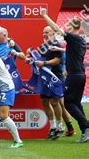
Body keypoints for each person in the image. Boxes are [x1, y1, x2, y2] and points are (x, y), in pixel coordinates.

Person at [42, 9, 88, 143]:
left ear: (73, 27)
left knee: (67, 102)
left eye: (67, 25)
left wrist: (45, 15)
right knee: (76, 103)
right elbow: (73, 52)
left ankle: (86, 126)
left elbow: (56, 29)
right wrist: (61, 49)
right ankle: (85, 130)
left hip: (74, 75)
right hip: (80, 74)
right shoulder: (80, 41)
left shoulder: (73, 37)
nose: (65, 27)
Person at [26, 26, 66, 140]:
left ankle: (60, 126)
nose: (44, 34)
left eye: (47, 32)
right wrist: (30, 59)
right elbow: (38, 58)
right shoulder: (43, 46)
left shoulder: (56, 44)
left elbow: (57, 60)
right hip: (44, 77)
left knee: (55, 101)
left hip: (55, 76)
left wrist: (44, 64)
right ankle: (52, 126)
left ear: (53, 33)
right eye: (43, 32)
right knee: (44, 101)